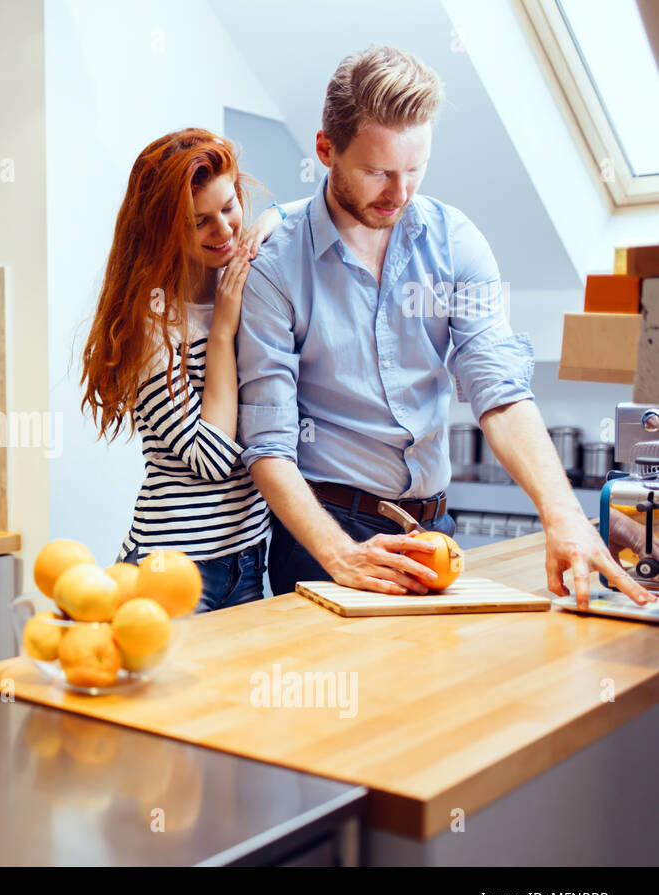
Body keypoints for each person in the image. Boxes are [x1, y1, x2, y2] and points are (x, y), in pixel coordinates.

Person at [236, 44, 653, 609]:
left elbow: (498, 389)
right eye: (377, 172)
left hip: (435, 530)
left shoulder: (456, 241)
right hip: (322, 536)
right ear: (325, 150)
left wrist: (565, 517)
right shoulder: (276, 263)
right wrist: (338, 554)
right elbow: (268, 445)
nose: (400, 193)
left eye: (415, 170)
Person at [80, 129, 299, 612]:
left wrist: (271, 217)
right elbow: (213, 458)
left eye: (229, 207)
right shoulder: (151, 322)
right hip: (172, 565)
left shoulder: (245, 283)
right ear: (164, 230)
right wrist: (222, 331)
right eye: (200, 222)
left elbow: (321, 208)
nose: (223, 230)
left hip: (247, 557)